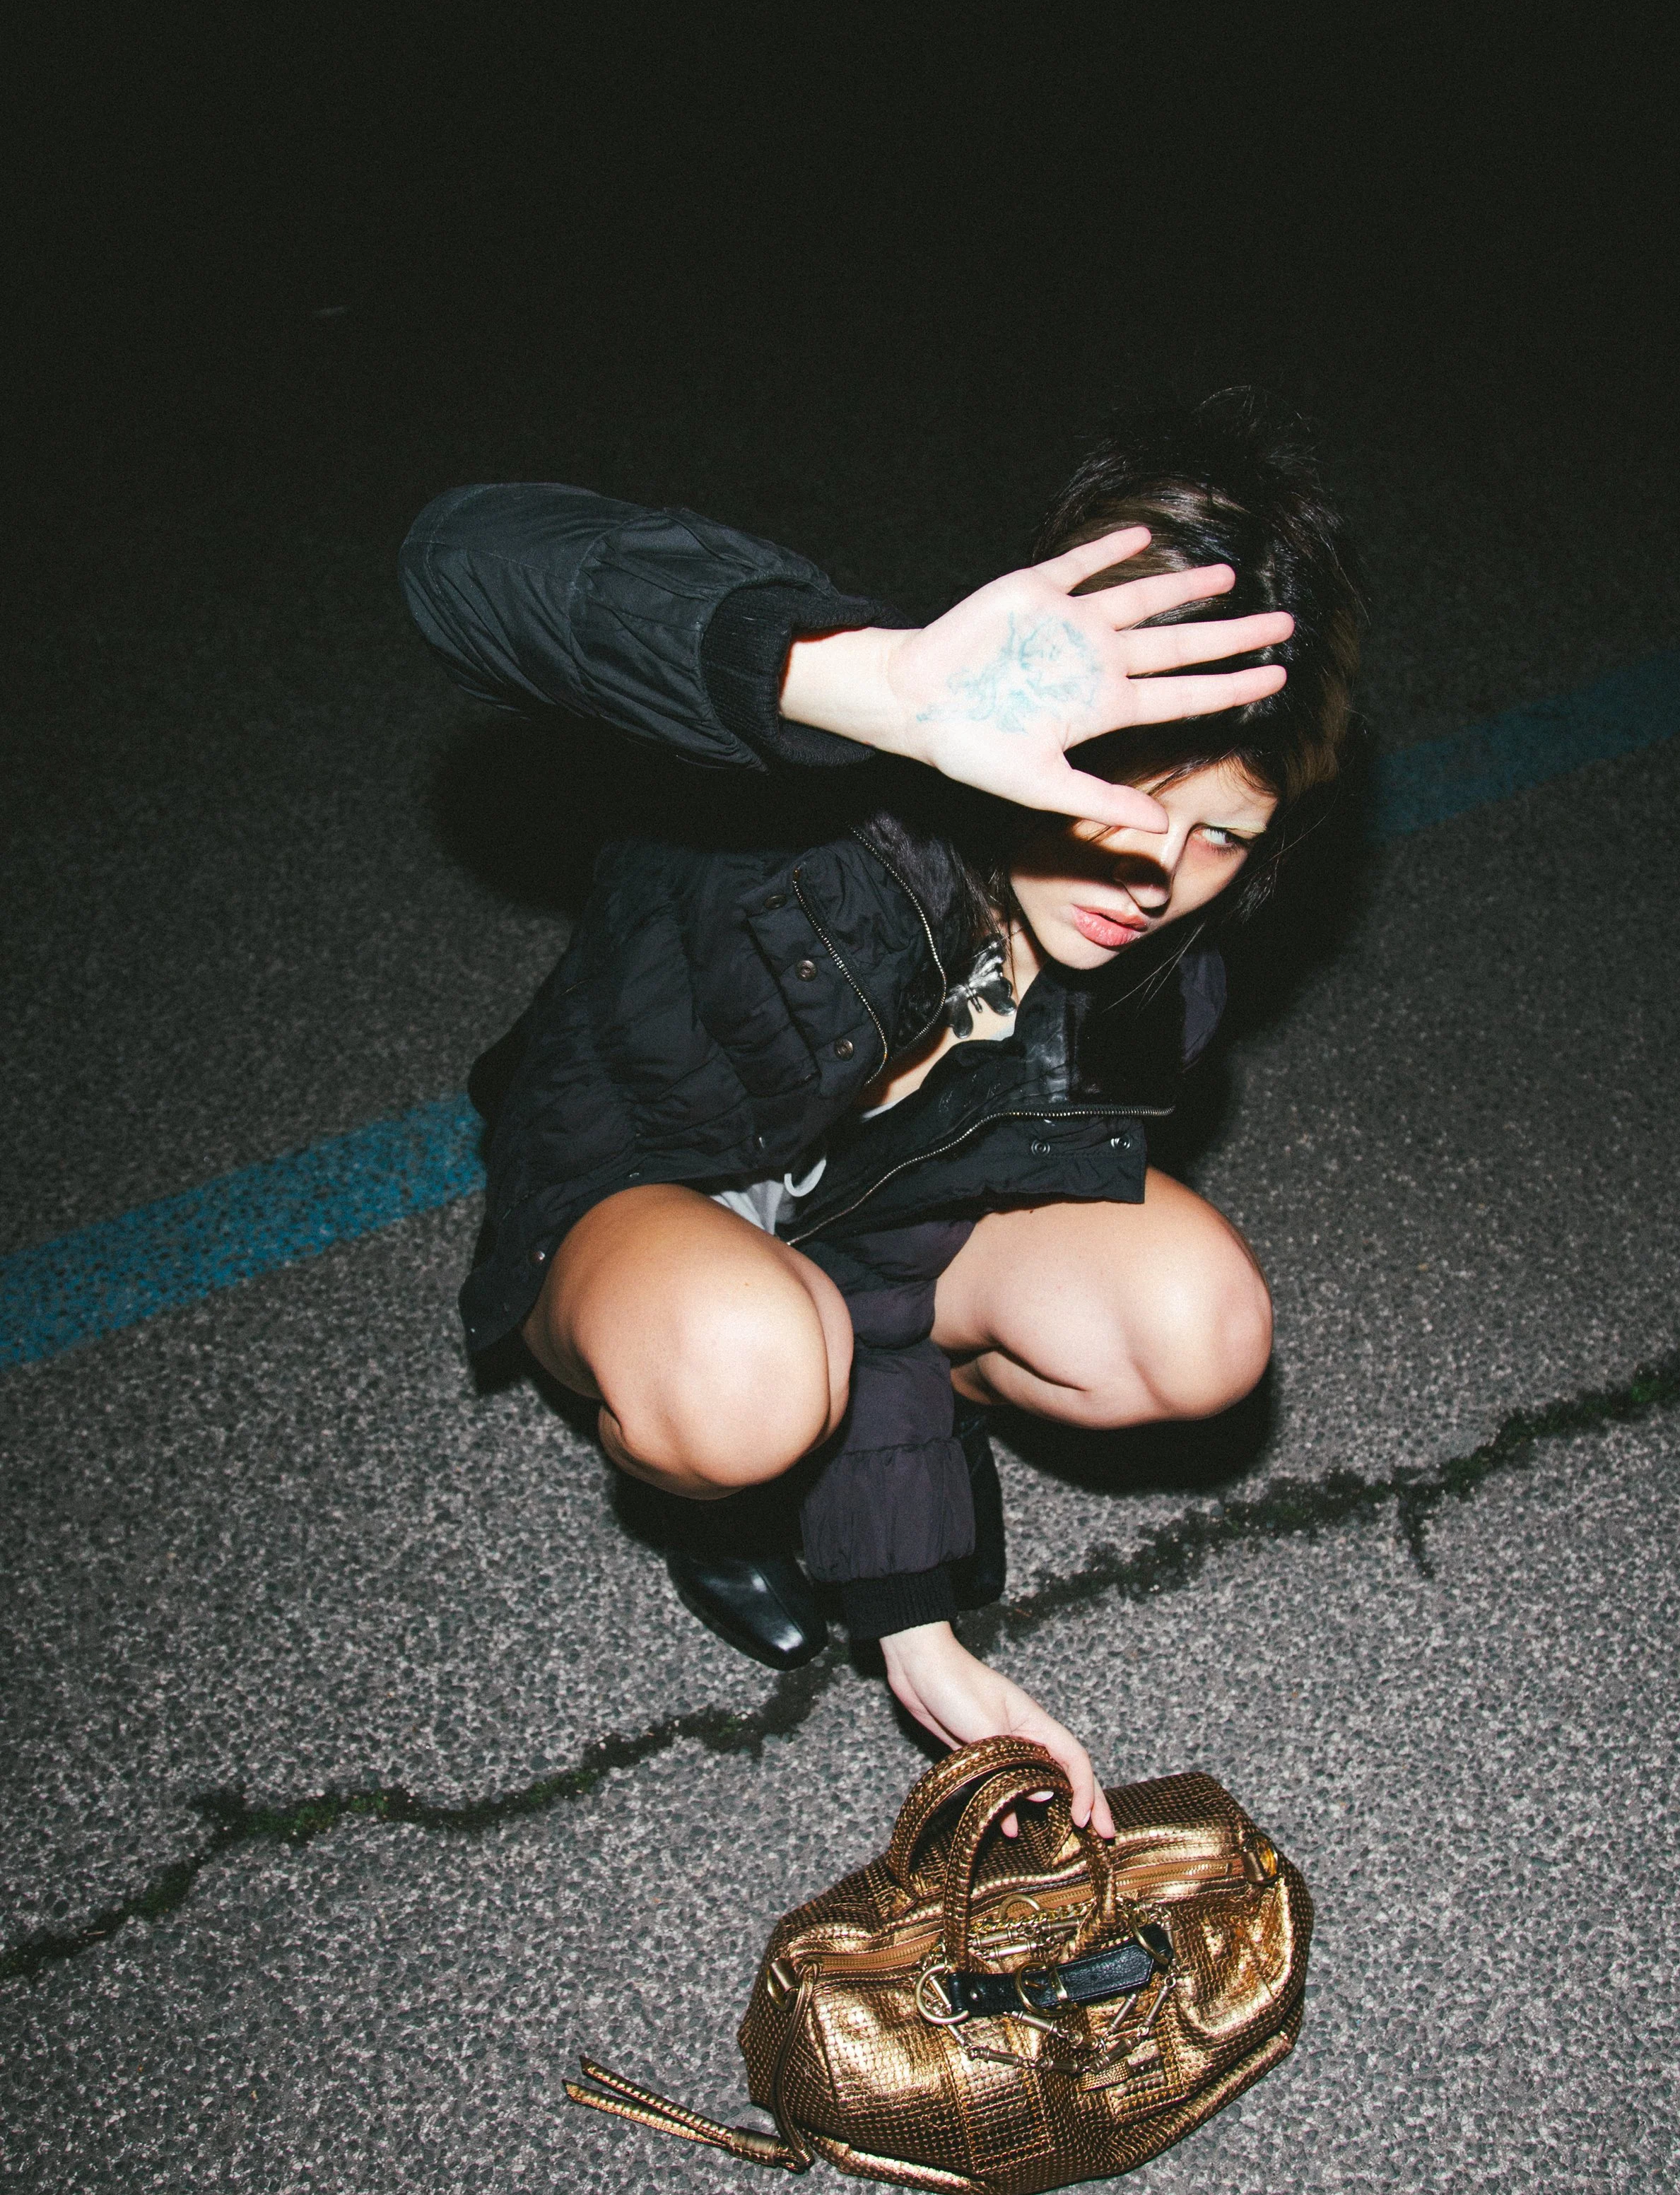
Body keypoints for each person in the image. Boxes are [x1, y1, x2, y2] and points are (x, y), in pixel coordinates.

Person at [400, 392, 1361, 1840]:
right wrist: (867, 683)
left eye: (1220, 832)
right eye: (1121, 784)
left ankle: (833, 1420)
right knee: (743, 1375)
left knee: (1196, 1324)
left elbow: (895, 1244)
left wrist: (914, 1627)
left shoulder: (1151, 990)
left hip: (843, 1253)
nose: (1155, 870)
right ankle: (732, 1479)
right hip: (634, 1188)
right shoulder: (823, 792)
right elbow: (461, 562)